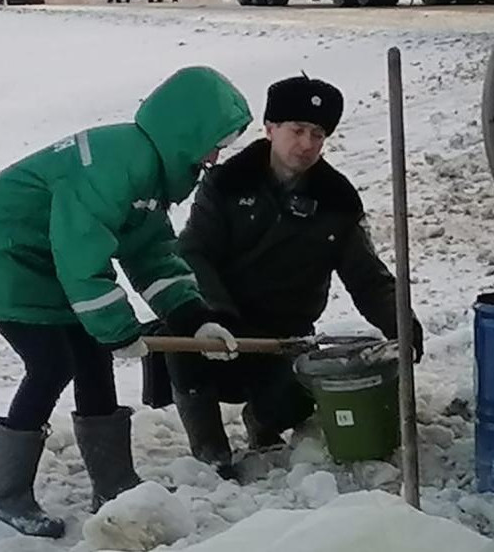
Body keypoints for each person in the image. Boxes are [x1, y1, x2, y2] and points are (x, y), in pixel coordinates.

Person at [0, 66, 251, 538]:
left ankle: (114, 486)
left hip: (41, 257)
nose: (213, 158)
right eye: (213, 143)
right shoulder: (115, 164)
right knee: (52, 364)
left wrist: (195, 318)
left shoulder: (146, 170)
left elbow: (151, 255)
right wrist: (119, 329)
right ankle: (5, 498)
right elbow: (81, 253)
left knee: (91, 357)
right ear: (185, 131)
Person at [145, 74, 424, 478]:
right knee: (180, 333)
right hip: (222, 325)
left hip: (283, 335)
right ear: (270, 128)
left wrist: (401, 323)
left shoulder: (337, 199)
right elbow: (193, 253)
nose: (307, 144)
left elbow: (367, 276)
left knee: (293, 399)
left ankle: (263, 420)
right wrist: (216, 315)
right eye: (296, 130)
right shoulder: (226, 182)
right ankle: (209, 448)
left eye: (317, 134)